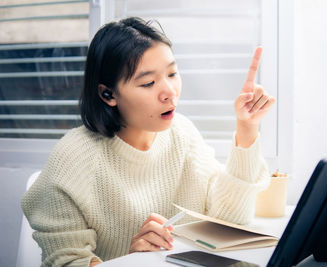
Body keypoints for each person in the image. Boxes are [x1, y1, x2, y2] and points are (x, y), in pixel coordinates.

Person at [21, 17, 275, 267]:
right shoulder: (73, 158)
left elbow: (229, 225)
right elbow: (66, 261)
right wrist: (131, 260)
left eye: (172, 73)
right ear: (108, 94)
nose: (169, 92)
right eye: (148, 83)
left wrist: (247, 126)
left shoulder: (182, 133)